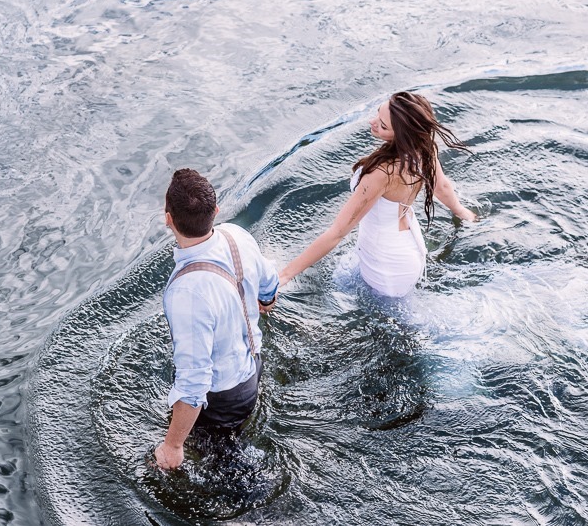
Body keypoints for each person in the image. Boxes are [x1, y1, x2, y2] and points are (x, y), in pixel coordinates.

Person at [279, 91, 477, 298]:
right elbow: (442, 186)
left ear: (400, 136)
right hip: (405, 246)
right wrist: (463, 213)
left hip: (387, 266)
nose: (372, 122)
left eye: (382, 125)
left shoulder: (381, 174)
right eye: (377, 114)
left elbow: (338, 232)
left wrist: (284, 276)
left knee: (395, 324)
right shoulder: (423, 148)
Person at [154, 169, 279, 470]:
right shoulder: (238, 236)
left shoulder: (187, 293)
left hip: (222, 399)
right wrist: (264, 300)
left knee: (228, 479)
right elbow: (269, 283)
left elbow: (194, 383)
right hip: (253, 368)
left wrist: (172, 446)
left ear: (168, 219)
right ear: (217, 211)